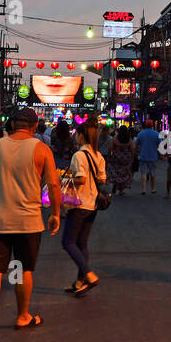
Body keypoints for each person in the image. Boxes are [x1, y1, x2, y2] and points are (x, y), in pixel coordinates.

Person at [0, 108, 61, 342]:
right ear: (34, 127)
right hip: (28, 222)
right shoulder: (41, 149)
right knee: (21, 269)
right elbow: (53, 185)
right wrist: (56, 214)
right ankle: (22, 316)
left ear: (12, 125)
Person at [62, 124, 106, 294]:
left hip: (79, 203)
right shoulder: (98, 155)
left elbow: (80, 179)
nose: (74, 135)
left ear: (81, 135)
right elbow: (102, 180)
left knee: (68, 242)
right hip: (93, 204)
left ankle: (89, 274)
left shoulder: (79, 155)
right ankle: (81, 281)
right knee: (81, 243)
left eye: (76, 133)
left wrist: (63, 179)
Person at [135, 117, 162, 194]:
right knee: (152, 173)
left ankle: (143, 189)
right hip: (153, 156)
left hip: (143, 155)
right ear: (152, 125)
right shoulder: (156, 134)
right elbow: (160, 146)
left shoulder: (140, 134)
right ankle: (152, 188)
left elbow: (136, 145)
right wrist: (161, 155)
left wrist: (136, 153)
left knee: (143, 173)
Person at [107, 125, 134, 195]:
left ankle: (115, 184)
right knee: (124, 174)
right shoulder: (129, 139)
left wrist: (109, 156)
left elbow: (110, 148)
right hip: (126, 159)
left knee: (116, 172)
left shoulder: (115, 139)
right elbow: (132, 149)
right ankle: (121, 190)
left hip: (117, 157)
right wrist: (132, 157)